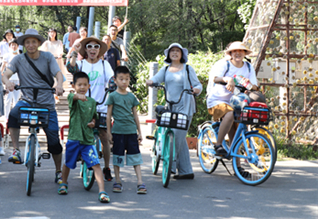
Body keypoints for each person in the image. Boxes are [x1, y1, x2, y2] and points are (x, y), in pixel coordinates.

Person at [2, 28, 65, 184]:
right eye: (27, 42)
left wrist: (59, 85)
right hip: (27, 100)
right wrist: (8, 82)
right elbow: (4, 74)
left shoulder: (48, 57)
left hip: (47, 104)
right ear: (23, 44)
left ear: (38, 43)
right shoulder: (18, 59)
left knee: (54, 142)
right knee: (13, 115)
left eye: (33, 42)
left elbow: (58, 73)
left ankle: (58, 171)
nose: (30, 45)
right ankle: (16, 150)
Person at [145, 43, 202, 179]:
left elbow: (198, 84)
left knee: (177, 134)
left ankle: (170, 164)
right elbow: (155, 79)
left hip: (185, 105)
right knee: (180, 139)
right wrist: (150, 81)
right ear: (168, 55)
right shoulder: (166, 70)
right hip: (171, 106)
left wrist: (196, 89)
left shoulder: (188, 69)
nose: (175, 53)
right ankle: (186, 171)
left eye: (177, 51)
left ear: (182, 54)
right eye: (172, 51)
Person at [67, 36, 114, 182]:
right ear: (85, 50)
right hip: (83, 105)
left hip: (101, 104)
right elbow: (71, 67)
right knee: (81, 134)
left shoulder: (105, 64)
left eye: (96, 47)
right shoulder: (81, 63)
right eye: (89, 47)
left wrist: (113, 85)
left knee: (104, 136)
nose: (93, 49)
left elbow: (112, 79)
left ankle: (106, 167)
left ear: (99, 50)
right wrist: (74, 51)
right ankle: (81, 156)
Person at [58, 71, 110, 203]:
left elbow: (94, 117)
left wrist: (93, 122)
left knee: (96, 164)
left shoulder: (92, 102)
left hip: (88, 140)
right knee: (68, 163)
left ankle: (102, 191)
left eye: (85, 85)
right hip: (74, 138)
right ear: (74, 86)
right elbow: (72, 98)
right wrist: (77, 97)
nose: (82, 87)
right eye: (79, 84)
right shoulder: (72, 97)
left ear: (89, 86)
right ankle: (64, 183)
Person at [206, 41, 258, 157]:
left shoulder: (249, 67)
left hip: (237, 101)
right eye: (234, 51)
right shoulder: (224, 64)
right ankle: (218, 145)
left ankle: (238, 167)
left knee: (236, 132)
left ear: (245, 53)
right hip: (218, 100)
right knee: (230, 114)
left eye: (240, 51)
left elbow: (255, 86)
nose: (237, 53)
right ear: (230, 53)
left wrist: (248, 85)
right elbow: (215, 78)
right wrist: (228, 79)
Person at [106, 66, 146, 194]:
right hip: (117, 131)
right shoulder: (112, 96)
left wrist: (140, 132)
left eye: (127, 79)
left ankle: (140, 181)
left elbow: (135, 115)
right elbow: (108, 116)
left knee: (136, 157)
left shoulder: (132, 97)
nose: (124, 81)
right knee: (117, 157)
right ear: (115, 80)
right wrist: (108, 132)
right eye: (121, 79)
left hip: (131, 132)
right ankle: (117, 180)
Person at [1, 39, 21, 119]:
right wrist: (1, 77)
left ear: (18, 46)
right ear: (9, 46)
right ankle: (6, 117)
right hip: (8, 80)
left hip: (18, 80)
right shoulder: (7, 55)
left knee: (16, 100)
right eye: (12, 45)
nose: (13, 46)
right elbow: (2, 67)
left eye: (15, 45)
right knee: (8, 99)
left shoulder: (20, 56)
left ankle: (15, 117)